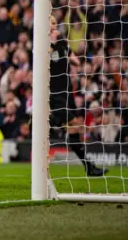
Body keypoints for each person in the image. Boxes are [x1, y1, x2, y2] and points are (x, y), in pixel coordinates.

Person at [49, 15, 107, 176]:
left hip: (67, 91)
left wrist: (84, 60)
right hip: (54, 93)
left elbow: (75, 61)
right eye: (51, 23)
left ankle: (89, 167)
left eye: (55, 23)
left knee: (75, 130)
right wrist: (52, 45)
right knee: (74, 124)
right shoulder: (43, 44)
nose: (54, 26)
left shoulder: (62, 43)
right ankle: (53, 120)